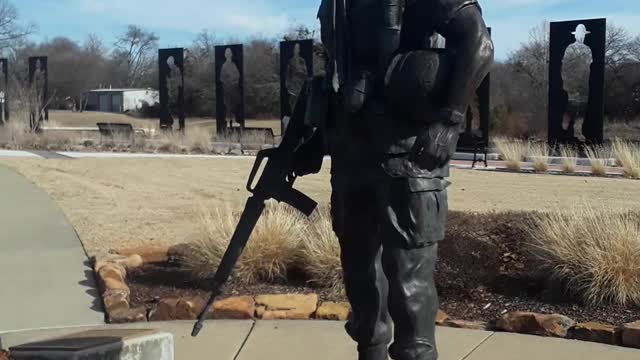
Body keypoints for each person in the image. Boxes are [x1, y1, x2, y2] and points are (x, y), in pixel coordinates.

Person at [316, 1, 494, 359]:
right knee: (359, 274)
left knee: (408, 279)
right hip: (352, 156)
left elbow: (479, 43)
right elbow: (338, 72)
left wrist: (450, 120)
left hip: (409, 158)